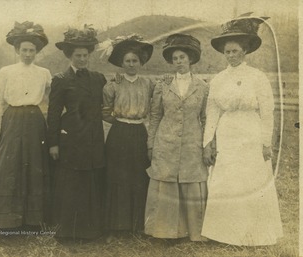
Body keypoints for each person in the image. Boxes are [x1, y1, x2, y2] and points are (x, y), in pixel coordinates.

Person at [201, 15, 283, 246]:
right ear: (223, 54)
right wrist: (208, 142)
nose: (232, 56)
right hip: (227, 134)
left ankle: (254, 236)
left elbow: (268, 112)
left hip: (251, 132)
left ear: (244, 51)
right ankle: (224, 234)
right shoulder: (217, 80)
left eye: (236, 51)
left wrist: (266, 143)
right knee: (227, 181)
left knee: (250, 181)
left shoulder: (257, 77)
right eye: (228, 52)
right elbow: (212, 113)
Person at [0, 21, 52, 231]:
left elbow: (58, 93)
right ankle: (2, 221)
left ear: (37, 51)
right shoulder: (6, 71)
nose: (28, 54)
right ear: (16, 50)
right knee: (9, 166)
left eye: (32, 50)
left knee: (35, 164)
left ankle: (32, 221)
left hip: (35, 121)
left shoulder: (44, 73)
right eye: (24, 50)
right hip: (12, 119)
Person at [144, 34, 209, 241]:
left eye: (182, 57)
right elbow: (155, 115)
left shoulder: (203, 86)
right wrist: (151, 142)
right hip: (166, 141)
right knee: (166, 182)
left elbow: (206, 118)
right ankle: (165, 231)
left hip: (192, 143)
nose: (179, 62)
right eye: (175, 58)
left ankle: (194, 232)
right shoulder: (163, 85)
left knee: (191, 181)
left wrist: (207, 145)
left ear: (190, 59)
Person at [47, 25, 107, 240]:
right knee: (71, 182)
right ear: (70, 56)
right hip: (70, 138)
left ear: (89, 55)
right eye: (77, 55)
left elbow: (109, 101)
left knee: (91, 181)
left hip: (93, 136)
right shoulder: (60, 80)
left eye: (85, 55)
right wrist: (53, 143)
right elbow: (53, 114)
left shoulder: (98, 78)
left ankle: (91, 231)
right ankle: (67, 231)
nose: (82, 59)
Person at [102, 35, 154, 237]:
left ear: (140, 63)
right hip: (119, 133)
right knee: (117, 177)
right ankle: (117, 225)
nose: (131, 64)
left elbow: (158, 102)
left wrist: (167, 79)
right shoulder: (113, 85)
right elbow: (105, 111)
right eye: (128, 61)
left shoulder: (149, 84)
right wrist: (120, 123)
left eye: (135, 61)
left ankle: (137, 224)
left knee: (138, 176)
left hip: (140, 132)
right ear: (122, 64)